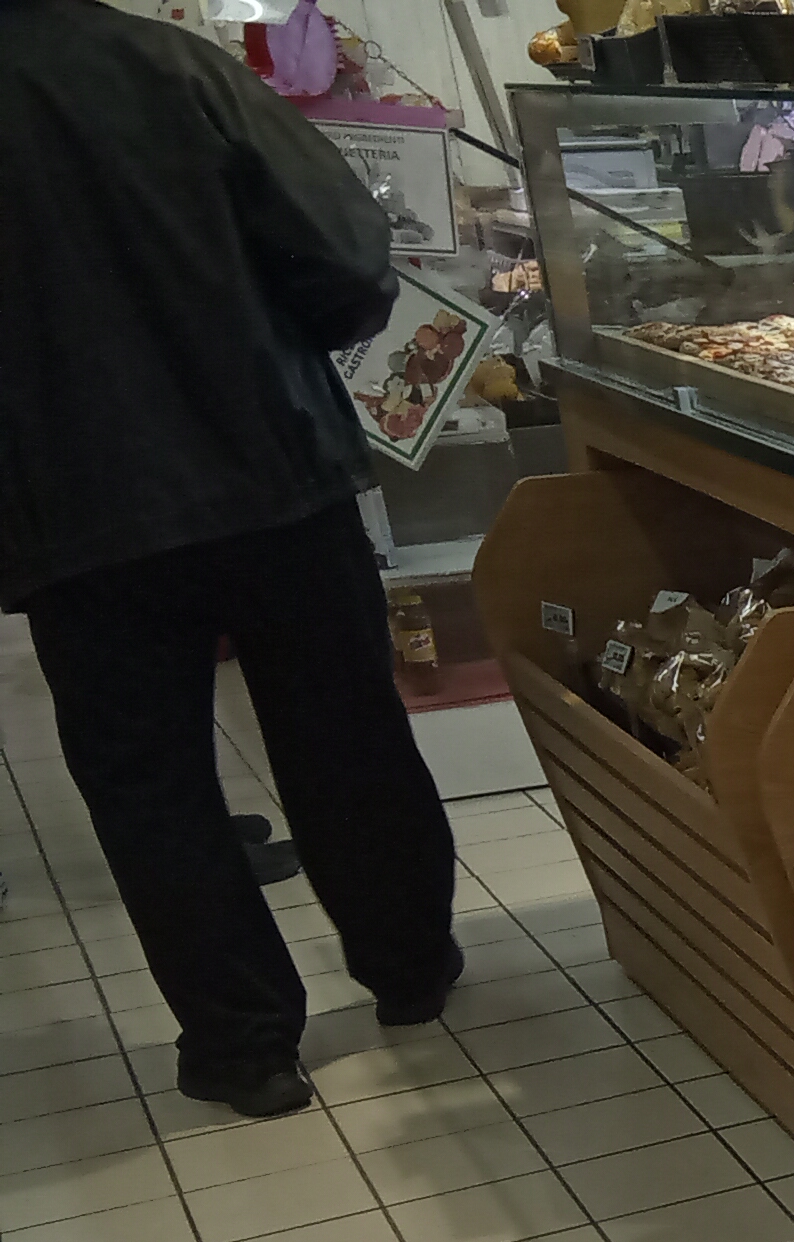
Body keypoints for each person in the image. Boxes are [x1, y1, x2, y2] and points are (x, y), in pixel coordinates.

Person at [0, 0, 463, 1117]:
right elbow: (345, 257)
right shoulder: (174, 66)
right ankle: (408, 966)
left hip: (72, 511)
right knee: (343, 729)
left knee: (148, 783)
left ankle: (243, 1043)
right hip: (272, 464)